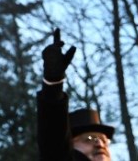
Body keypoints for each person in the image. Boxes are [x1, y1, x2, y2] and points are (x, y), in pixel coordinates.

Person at [37, 28, 115, 161]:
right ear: (69, 144)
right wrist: (53, 83)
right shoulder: (61, 153)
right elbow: (54, 138)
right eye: (89, 139)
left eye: (104, 140)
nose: (100, 144)